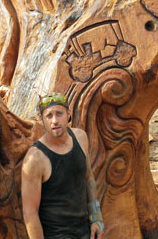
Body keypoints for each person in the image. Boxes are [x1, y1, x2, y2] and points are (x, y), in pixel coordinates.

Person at [21, 92, 104, 239]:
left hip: (85, 231)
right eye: (49, 116)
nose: (54, 121)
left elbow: (88, 178)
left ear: (68, 114)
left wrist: (97, 218)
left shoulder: (81, 138)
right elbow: (30, 213)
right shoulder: (35, 159)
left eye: (59, 114)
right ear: (42, 120)